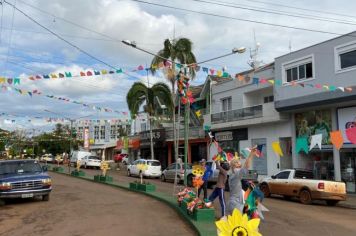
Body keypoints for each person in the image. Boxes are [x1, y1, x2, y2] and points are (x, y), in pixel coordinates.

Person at [227, 146, 257, 215]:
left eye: (239, 162)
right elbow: (246, 166)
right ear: (234, 165)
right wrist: (251, 154)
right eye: (237, 162)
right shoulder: (236, 172)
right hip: (236, 204)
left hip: (232, 202)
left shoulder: (232, 173)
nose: (239, 163)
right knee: (238, 224)